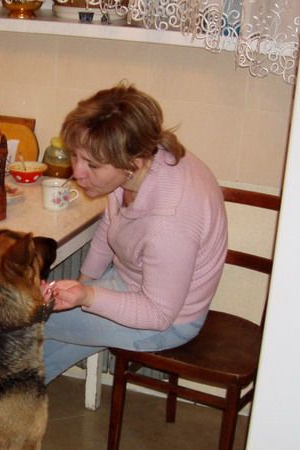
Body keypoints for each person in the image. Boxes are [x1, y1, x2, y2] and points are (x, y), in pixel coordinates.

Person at [43, 83, 228, 384]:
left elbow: (158, 315)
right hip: (131, 283)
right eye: (75, 156)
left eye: (93, 165)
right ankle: (0, 406)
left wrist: (87, 296)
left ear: (134, 162)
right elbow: (110, 226)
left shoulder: (169, 221)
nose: (77, 172)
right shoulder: (142, 161)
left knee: (27, 323)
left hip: (168, 321)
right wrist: (83, 284)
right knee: (33, 351)